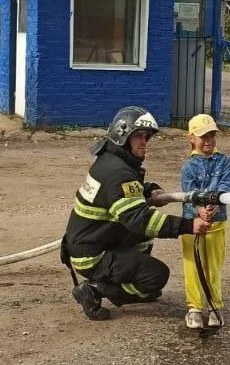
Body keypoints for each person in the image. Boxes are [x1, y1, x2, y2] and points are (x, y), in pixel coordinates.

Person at [62, 106, 211, 321]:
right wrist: (188, 225)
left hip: (89, 243)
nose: (144, 142)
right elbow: (140, 220)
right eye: (139, 136)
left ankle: (130, 281)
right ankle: (95, 289)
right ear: (123, 136)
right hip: (92, 256)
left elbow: (120, 194)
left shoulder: (111, 161)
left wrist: (148, 189)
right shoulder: (118, 172)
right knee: (156, 276)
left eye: (147, 137)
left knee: (143, 238)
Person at [180, 114, 230, 329]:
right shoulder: (188, 167)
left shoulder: (224, 161)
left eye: (211, 135)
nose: (208, 140)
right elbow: (188, 192)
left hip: (217, 223)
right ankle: (194, 308)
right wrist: (199, 210)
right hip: (191, 224)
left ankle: (214, 307)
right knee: (192, 266)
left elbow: (225, 186)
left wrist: (214, 206)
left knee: (213, 267)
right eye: (203, 136)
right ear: (191, 138)